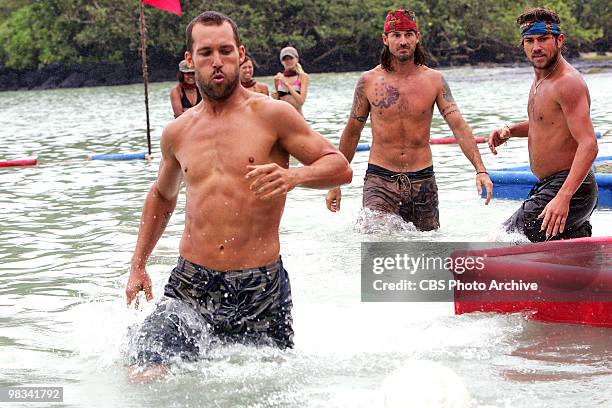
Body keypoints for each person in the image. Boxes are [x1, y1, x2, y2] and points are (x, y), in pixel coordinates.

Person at [125, 11, 352, 379]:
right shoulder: (178, 132)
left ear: (240, 54)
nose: (217, 62)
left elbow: (339, 166)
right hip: (190, 286)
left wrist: (293, 176)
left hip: (260, 288)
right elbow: (162, 196)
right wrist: (138, 265)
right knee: (144, 373)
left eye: (226, 51)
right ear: (190, 59)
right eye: (206, 52)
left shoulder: (273, 115)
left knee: (264, 388)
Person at [325, 9, 492, 231]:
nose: (403, 41)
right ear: (385, 39)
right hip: (380, 180)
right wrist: (336, 181)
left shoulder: (434, 81)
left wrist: (480, 169)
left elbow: (458, 126)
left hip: (422, 181)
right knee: (378, 250)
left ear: (417, 37)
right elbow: (352, 131)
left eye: (408, 34)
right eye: (396, 35)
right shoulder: (368, 82)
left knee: (426, 253)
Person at [488, 8, 598, 242]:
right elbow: (545, 124)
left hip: (569, 187)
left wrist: (563, 197)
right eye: (530, 40)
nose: (536, 47)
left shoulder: (567, 82)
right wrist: (510, 131)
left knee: (503, 239)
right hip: (550, 185)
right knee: (565, 256)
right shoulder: (542, 78)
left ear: (559, 41)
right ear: (523, 44)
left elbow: (588, 144)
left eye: (543, 39)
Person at [271, 46, 309, 115]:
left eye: (291, 58)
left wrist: (286, 84)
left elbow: (301, 101)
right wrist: (275, 98)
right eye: (285, 59)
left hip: (298, 116)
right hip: (283, 117)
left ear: (297, 59)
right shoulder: (277, 78)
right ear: (282, 62)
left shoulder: (303, 76)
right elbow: (278, 102)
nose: (288, 61)